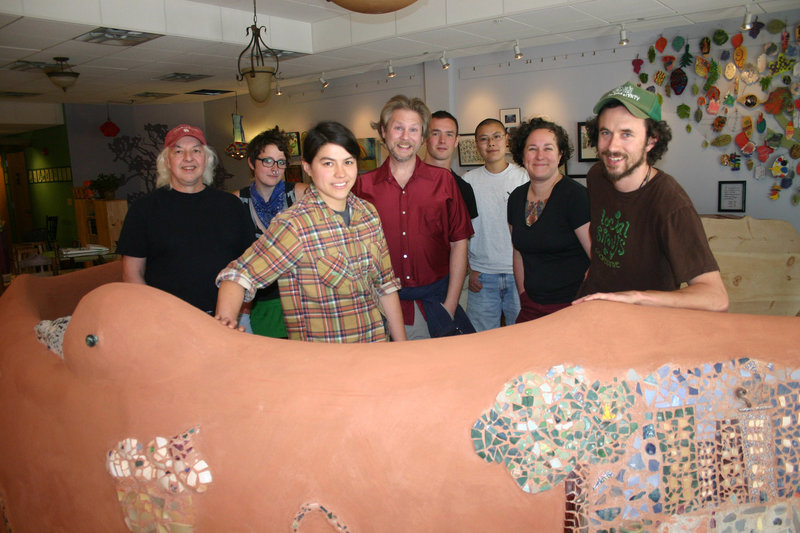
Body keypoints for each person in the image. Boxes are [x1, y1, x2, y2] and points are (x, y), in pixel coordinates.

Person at [215, 121, 406, 343]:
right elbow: (237, 277)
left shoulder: (368, 214)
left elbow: (385, 286)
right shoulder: (295, 225)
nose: (340, 173)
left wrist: (401, 348)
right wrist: (225, 325)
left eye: (348, 162)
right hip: (325, 365)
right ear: (308, 168)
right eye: (328, 163)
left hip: (375, 349)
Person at [572, 82, 728, 312]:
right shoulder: (598, 175)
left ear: (651, 140)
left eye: (627, 134)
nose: (612, 146)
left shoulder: (670, 203)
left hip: (644, 320)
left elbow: (716, 296)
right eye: (606, 133)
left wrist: (636, 297)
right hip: (594, 306)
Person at [353, 95, 475, 340]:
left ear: (422, 137)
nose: (405, 137)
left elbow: (459, 242)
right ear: (384, 132)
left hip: (434, 305)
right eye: (398, 128)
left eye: (413, 130)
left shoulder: (444, 182)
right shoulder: (362, 186)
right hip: (377, 308)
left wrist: (450, 305)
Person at [117, 124, 253, 314]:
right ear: (166, 161)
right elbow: (132, 273)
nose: (188, 158)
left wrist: (243, 309)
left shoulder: (231, 205)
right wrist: (152, 313)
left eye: (196, 151)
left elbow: (247, 264)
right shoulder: (144, 209)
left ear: (206, 159)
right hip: (168, 321)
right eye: (178, 151)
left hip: (226, 319)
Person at [507, 117, 591, 321]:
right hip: (531, 305)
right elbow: (518, 253)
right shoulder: (516, 198)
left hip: (571, 307)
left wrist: (581, 304)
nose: (539, 156)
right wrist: (523, 295)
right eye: (532, 148)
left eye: (548, 148)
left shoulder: (576, 197)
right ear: (522, 153)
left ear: (561, 154)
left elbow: (597, 258)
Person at [235, 127, 308, 337]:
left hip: (299, 299)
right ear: (251, 162)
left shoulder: (301, 194)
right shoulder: (235, 202)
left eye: (281, 162)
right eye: (267, 161)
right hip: (256, 304)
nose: (274, 168)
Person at [462, 118, 528, 330]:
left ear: (506, 140)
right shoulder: (468, 181)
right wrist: (470, 269)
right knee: (481, 343)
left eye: (496, 136)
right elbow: (461, 231)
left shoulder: (524, 177)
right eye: (484, 139)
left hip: (518, 274)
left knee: (521, 338)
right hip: (482, 277)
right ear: (476, 145)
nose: (491, 143)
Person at [423, 110, 478, 220]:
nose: (442, 140)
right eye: (435, 133)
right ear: (424, 138)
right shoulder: (407, 180)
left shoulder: (463, 189)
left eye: (449, 134)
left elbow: (463, 236)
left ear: (456, 140)